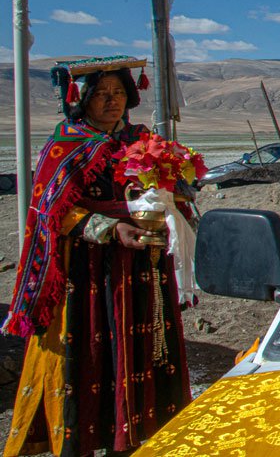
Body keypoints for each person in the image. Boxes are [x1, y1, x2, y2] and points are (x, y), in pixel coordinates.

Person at [4, 56, 191, 456]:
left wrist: (171, 204)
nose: (112, 101)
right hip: (88, 274)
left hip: (143, 264)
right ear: (81, 99)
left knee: (145, 350)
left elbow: (175, 190)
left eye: (119, 92)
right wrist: (109, 228)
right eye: (102, 94)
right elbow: (52, 213)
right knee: (92, 358)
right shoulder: (64, 146)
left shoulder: (143, 141)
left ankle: (139, 440)